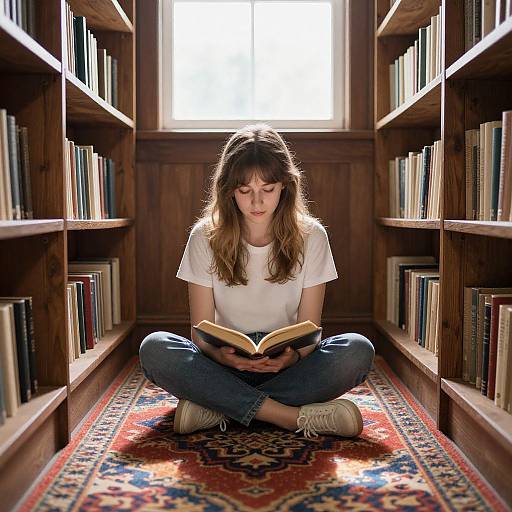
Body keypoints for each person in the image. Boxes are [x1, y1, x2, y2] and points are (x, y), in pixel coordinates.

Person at [139, 123, 375, 439]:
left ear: (285, 187)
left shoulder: (312, 236)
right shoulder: (204, 236)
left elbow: (309, 330)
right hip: (222, 363)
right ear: (229, 190)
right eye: (245, 191)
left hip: (288, 365)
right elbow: (201, 332)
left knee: (358, 349)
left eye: (268, 189)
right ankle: (288, 416)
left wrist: (292, 356)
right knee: (155, 348)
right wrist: (221, 355)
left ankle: (217, 406)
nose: (257, 203)